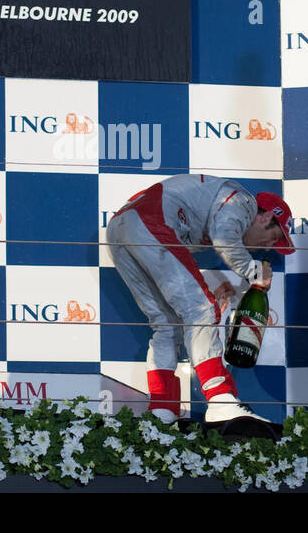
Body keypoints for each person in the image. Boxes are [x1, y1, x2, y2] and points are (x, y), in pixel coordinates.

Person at [105, 174, 294, 424]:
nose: (269, 247)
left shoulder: (216, 205)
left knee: (166, 324)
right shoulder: (243, 202)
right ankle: (220, 399)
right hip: (149, 220)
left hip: (119, 228)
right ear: (266, 217)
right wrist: (255, 272)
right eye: (273, 238)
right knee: (201, 309)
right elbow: (225, 239)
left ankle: (162, 409)